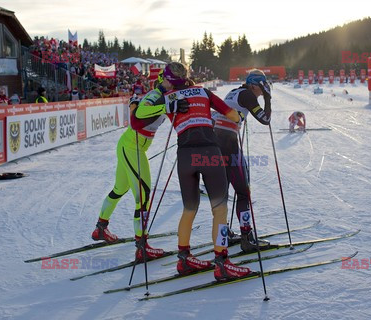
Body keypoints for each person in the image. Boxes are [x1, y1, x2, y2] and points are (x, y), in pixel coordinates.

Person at [131, 62, 251, 281]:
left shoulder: (169, 98)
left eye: (165, 79)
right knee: (220, 209)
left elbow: (138, 116)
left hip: (185, 156)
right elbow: (231, 114)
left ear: (171, 79)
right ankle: (222, 262)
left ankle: (184, 257)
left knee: (189, 208)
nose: (163, 82)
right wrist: (240, 118)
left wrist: (166, 107)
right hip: (209, 153)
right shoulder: (203, 91)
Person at [91, 70, 167, 262]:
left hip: (130, 146)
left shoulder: (164, 97)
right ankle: (142, 246)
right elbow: (136, 120)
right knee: (143, 195)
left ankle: (101, 228)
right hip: (132, 147)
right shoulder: (156, 96)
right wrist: (135, 105)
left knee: (120, 189)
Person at [212, 69, 272, 252]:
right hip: (227, 144)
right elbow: (265, 119)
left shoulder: (235, 91)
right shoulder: (247, 95)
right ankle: (247, 238)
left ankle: (224, 234)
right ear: (254, 85)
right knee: (243, 192)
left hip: (214, 141)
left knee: (221, 194)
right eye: (262, 88)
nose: (262, 92)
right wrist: (268, 99)